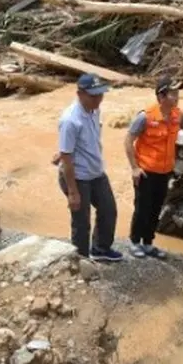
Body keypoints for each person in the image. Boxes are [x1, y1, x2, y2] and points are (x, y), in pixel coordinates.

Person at [123, 77, 183, 259]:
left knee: (156, 208)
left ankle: (148, 243)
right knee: (142, 208)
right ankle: (134, 242)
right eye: (173, 93)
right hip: (145, 172)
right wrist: (134, 168)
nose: (177, 96)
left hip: (164, 172)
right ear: (161, 96)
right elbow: (128, 141)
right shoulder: (145, 117)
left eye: (177, 93)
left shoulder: (178, 115)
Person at [56, 73, 123, 262]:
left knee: (109, 210)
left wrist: (61, 151)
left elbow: (83, 142)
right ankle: (81, 261)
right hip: (76, 176)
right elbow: (67, 160)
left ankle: (100, 249)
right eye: (93, 96)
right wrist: (72, 192)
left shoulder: (95, 110)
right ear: (80, 94)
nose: (98, 99)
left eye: (100, 95)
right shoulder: (70, 120)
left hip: (96, 172)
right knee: (81, 221)